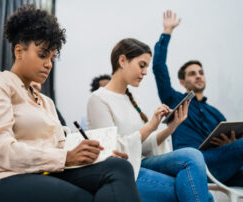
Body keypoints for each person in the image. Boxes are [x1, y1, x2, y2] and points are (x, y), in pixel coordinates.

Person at [0, 4, 141, 202]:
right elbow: (0, 150)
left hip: (44, 173)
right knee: (84, 197)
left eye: (52, 57)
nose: (49, 64)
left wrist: (99, 155)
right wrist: (65, 157)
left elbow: (61, 148)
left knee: (118, 167)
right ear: (19, 51)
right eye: (42, 55)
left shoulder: (46, 102)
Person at [87, 37, 213, 201]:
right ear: (123, 61)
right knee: (198, 191)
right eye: (142, 65)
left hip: (142, 162)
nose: (145, 72)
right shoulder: (98, 99)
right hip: (125, 170)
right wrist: (150, 127)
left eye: (146, 66)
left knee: (193, 154)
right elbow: (111, 151)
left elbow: (143, 146)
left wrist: (171, 127)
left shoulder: (133, 99)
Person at [153, 10, 243, 186]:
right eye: (192, 74)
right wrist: (167, 32)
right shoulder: (175, 101)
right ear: (182, 81)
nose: (198, 76)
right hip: (193, 164)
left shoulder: (215, 113)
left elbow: (232, 142)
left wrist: (231, 143)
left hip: (222, 167)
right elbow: (158, 68)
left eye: (201, 73)